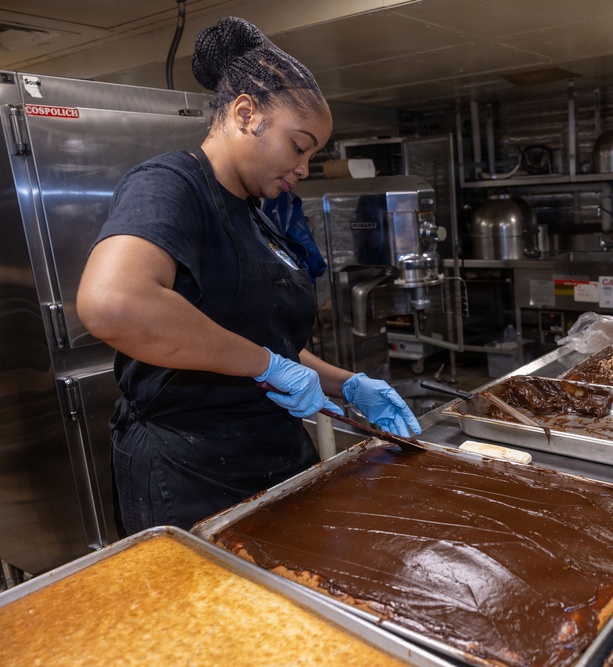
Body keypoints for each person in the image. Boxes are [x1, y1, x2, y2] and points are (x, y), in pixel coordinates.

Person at [77, 16, 420, 536]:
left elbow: (259, 340)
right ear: (245, 113)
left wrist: (346, 384)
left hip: (270, 457)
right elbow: (114, 303)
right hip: (189, 475)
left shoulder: (253, 213)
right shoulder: (171, 186)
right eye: (300, 146)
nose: (304, 167)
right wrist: (267, 365)